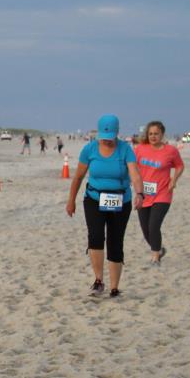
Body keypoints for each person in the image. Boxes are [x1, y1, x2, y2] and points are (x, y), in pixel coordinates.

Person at [66, 114, 144, 297]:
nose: (107, 141)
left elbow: (135, 174)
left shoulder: (125, 149)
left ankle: (114, 287)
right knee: (95, 236)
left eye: (110, 138)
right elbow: (78, 177)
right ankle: (98, 280)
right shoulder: (89, 149)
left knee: (115, 242)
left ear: (117, 133)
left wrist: (140, 194)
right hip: (94, 198)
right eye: (104, 138)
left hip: (120, 200)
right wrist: (71, 201)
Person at [134, 121, 185, 265]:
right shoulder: (140, 149)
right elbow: (132, 166)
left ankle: (155, 257)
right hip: (143, 193)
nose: (153, 136)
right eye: (150, 134)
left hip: (163, 193)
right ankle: (159, 249)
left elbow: (180, 166)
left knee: (153, 226)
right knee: (145, 229)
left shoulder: (171, 150)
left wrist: (174, 179)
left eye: (156, 134)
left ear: (162, 134)